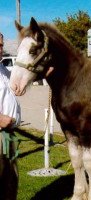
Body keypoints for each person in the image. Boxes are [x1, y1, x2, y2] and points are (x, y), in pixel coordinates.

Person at [0, 32, 21, 200]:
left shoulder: (4, 70)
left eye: (1, 45)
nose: (0, 49)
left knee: (11, 179)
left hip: (10, 134)